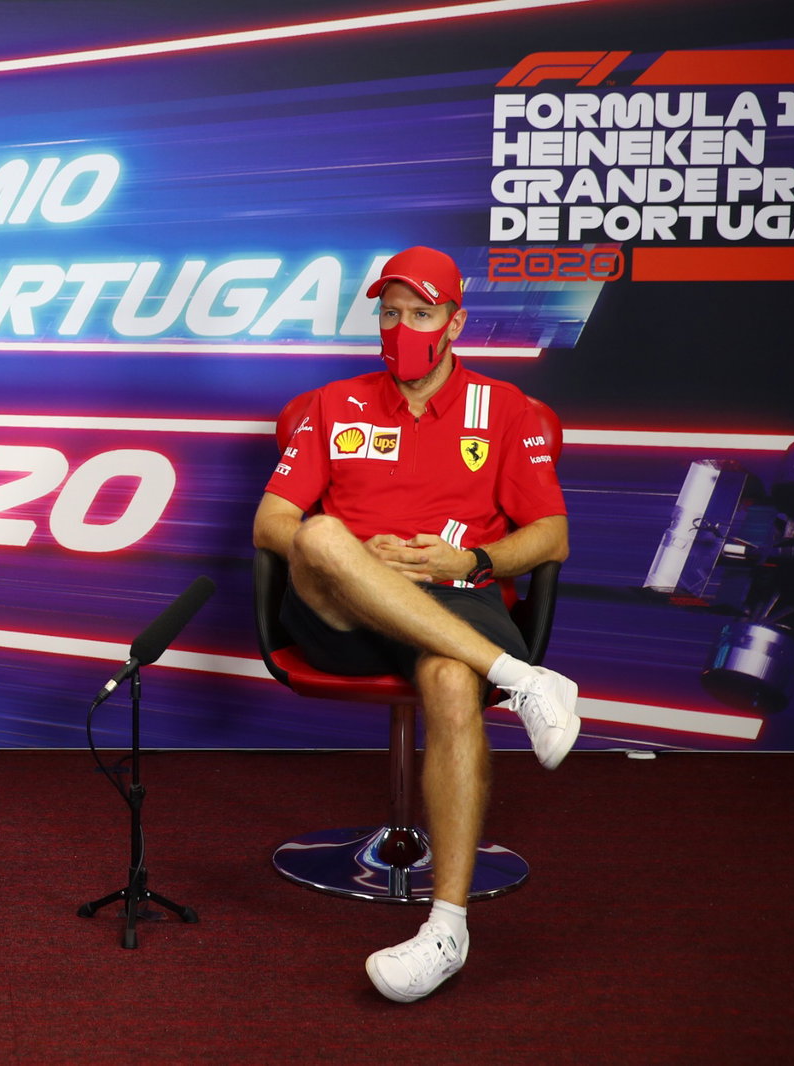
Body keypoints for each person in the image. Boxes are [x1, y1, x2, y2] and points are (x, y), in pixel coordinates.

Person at [251, 246, 581, 1003]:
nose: (401, 329)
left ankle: (446, 928)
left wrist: (466, 562)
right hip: (341, 605)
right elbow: (272, 522)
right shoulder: (334, 404)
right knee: (319, 535)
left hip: (453, 591)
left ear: (456, 321)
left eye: (421, 314)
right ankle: (526, 682)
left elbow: (550, 539)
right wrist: (359, 556)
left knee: (447, 677)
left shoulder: (503, 409)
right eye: (389, 313)